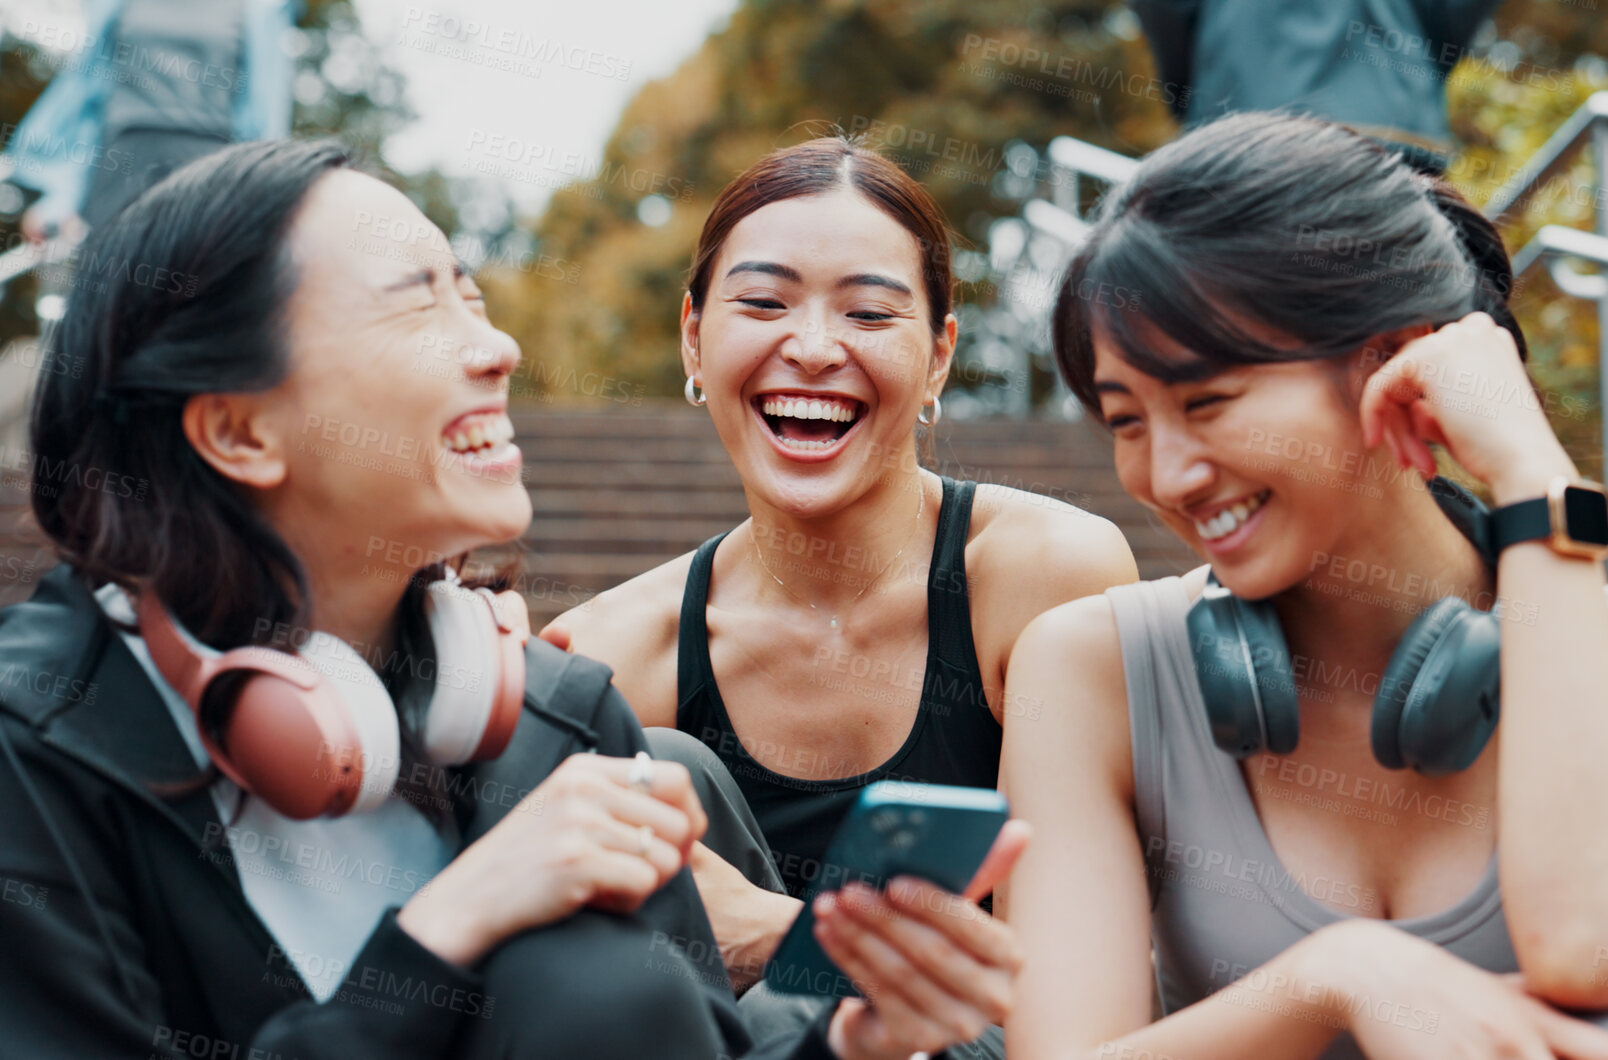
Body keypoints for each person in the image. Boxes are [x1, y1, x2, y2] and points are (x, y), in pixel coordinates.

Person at [0, 138, 1026, 1060]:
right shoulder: (36, 751)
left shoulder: (555, 722)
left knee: (594, 980)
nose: (498, 351)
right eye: (417, 305)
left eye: (472, 297)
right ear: (238, 431)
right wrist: (444, 935)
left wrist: (844, 1043)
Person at [1001, 111, 1608, 1059]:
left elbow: (1593, 950)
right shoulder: (1091, 668)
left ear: (1391, 354)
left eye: (1207, 401)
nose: (1169, 473)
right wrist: (1339, 979)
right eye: (1126, 422)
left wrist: (1534, 482)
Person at [543, 137, 1138, 1005]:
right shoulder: (617, 650)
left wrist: (770, 934)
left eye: (868, 314)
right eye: (762, 303)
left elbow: (1070, 987)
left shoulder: (1040, 576)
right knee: (665, 764)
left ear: (938, 356)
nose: (815, 348)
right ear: (692, 339)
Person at [5, 0, 297, 242]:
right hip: (118, 167)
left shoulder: (261, 8)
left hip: (209, 172)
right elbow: (86, 99)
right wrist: (62, 200)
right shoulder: (116, 5)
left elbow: (264, 112)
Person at [1128, 0, 1503, 173]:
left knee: (1251, 313)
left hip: (1246, 132)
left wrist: (1189, 94)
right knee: (1405, 313)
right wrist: (1414, 67)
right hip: (1395, 130)